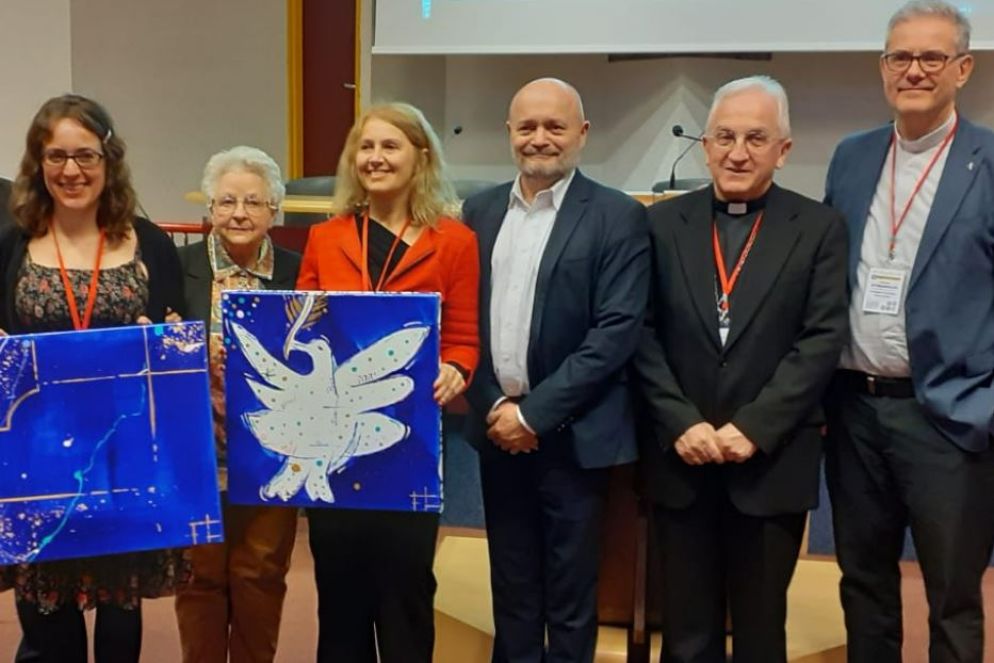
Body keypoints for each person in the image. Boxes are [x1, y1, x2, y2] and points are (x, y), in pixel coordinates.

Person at [633, 76, 848, 663]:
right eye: (724, 136)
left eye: (757, 138)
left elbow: (822, 339)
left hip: (770, 464)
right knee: (685, 632)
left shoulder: (820, 228)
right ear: (704, 145)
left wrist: (754, 427)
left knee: (759, 631)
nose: (737, 152)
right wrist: (680, 421)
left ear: (784, 149)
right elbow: (641, 334)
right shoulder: (660, 226)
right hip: (682, 458)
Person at [823, 2, 994, 661]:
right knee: (863, 582)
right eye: (900, 57)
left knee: (952, 594)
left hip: (949, 417)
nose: (914, 70)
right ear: (883, 67)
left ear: (963, 68)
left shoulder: (986, 158)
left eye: (931, 58)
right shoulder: (853, 156)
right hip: (856, 409)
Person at [461, 77, 650, 663]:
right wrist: (495, 406)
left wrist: (534, 414)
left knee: (570, 594)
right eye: (527, 127)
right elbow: (465, 317)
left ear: (582, 134)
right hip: (497, 431)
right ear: (510, 133)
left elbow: (615, 333)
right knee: (512, 585)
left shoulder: (618, 216)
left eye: (555, 126)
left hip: (574, 434)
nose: (540, 139)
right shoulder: (481, 210)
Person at [0, 94, 186, 662]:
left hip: (123, 453)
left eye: (86, 155)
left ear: (109, 160)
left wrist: (170, 335)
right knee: (44, 607)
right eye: (56, 156)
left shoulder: (149, 241)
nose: (71, 171)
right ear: (38, 163)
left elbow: (178, 341)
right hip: (38, 459)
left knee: (120, 607)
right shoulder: (12, 244)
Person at [297, 102, 479, 663]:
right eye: (366, 148)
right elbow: (299, 321)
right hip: (332, 438)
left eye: (389, 146)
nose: (375, 158)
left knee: (405, 587)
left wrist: (457, 368)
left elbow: (465, 334)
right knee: (339, 588)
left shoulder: (454, 241)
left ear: (420, 156)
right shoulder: (324, 238)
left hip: (411, 436)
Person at [173, 146, 301, 663]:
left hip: (274, 446)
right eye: (226, 201)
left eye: (253, 201)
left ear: (275, 209)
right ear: (209, 207)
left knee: (261, 573)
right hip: (195, 447)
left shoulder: (299, 270)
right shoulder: (177, 267)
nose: (239, 213)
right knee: (199, 575)